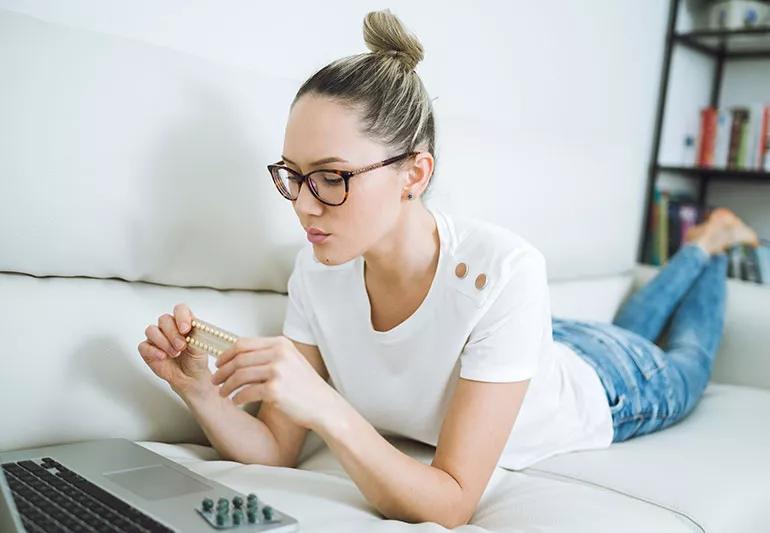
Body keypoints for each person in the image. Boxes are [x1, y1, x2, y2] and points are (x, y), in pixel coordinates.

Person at [136, 9, 762, 528]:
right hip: (529, 351)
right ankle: (703, 246)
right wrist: (196, 390)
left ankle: (707, 247)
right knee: (620, 326)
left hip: (610, 385)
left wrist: (325, 405)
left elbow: (454, 500)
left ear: (415, 173)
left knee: (685, 356)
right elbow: (275, 448)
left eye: (330, 177)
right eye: (293, 176)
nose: (302, 203)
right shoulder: (317, 269)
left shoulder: (507, 267)